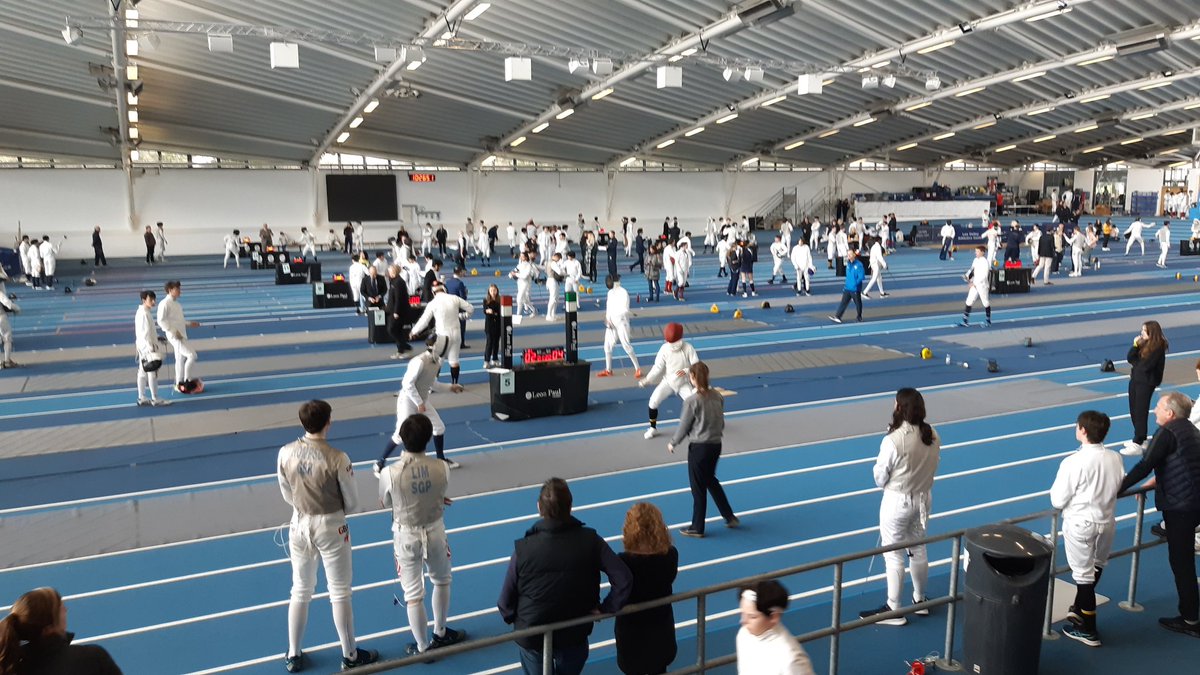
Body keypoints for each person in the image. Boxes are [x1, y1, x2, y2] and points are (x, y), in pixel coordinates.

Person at [278, 400, 378, 672]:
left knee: (300, 589)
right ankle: (350, 655)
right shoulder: (338, 458)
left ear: (303, 423)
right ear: (328, 422)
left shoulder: (285, 452)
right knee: (339, 592)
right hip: (331, 525)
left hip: (298, 524)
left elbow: (286, 492)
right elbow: (353, 503)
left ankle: (293, 653)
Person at [497, 478, 633, 675]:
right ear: (570, 506)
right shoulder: (591, 540)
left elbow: (504, 603)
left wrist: (517, 619)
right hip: (575, 631)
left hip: (532, 633)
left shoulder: (523, 549)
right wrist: (606, 608)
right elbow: (624, 578)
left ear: (539, 508)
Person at [378, 413, 466, 659]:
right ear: (428, 439)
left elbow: (385, 501)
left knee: (413, 594)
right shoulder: (442, 467)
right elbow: (438, 491)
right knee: (441, 580)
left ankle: (423, 647)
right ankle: (439, 631)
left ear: (402, 439)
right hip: (436, 531)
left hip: (406, 536)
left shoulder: (390, 473)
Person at [1118, 392, 1200, 638]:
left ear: (1170, 413)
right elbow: (1180, 462)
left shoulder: (1167, 433)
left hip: (1180, 506)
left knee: (1181, 562)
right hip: (1194, 501)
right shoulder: (1191, 430)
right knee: (1183, 560)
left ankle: (1190, 619)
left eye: (1159, 407)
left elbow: (1145, 464)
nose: (1154, 410)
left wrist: (1117, 487)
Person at [859, 387, 940, 625]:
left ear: (899, 408)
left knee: (893, 554)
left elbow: (879, 478)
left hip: (898, 501)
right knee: (918, 549)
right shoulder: (933, 434)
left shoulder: (892, 441)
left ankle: (894, 609)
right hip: (923, 499)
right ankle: (920, 600)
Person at [1051, 410, 1123, 647]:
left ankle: (1088, 629)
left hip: (1081, 523)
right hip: (1107, 521)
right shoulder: (1115, 457)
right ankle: (1079, 609)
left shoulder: (1073, 462)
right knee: (1097, 566)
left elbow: (1058, 500)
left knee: (1083, 578)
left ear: (1082, 430)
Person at [669, 362, 738, 538]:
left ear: (692, 378)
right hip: (715, 445)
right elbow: (720, 420)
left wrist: (673, 442)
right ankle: (729, 515)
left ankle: (697, 526)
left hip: (699, 448)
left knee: (698, 488)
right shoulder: (717, 396)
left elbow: (684, 426)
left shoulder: (692, 401)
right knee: (710, 481)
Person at [376, 335, 465, 471]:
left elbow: (431, 383)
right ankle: (380, 463)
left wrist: (450, 387)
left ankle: (441, 459)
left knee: (439, 427)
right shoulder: (419, 361)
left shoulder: (436, 361)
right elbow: (407, 384)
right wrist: (419, 403)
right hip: (408, 400)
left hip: (422, 400)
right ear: (440, 348)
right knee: (401, 434)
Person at [615, 503, 678, 675]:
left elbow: (618, 596)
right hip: (661, 631)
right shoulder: (671, 555)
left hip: (632, 636)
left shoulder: (623, 562)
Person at [0, 587, 122, 675]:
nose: (66, 609)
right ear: (48, 627)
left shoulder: (10, 668)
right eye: (61, 607)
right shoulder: (93, 657)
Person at [735, 580, 816, 675]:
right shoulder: (744, 634)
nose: (742, 621)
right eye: (742, 613)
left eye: (752, 617)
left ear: (774, 617)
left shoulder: (790, 659)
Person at [639, 322, 699, 439]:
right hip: (668, 382)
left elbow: (697, 364)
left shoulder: (688, 348)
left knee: (694, 403)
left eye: (675, 343)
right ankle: (652, 428)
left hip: (683, 383)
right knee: (653, 402)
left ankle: (700, 425)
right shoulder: (664, 349)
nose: (673, 346)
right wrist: (647, 380)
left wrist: (687, 370)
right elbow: (657, 368)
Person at [410, 282, 473, 386]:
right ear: (444, 289)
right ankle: (455, 384)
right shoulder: (454, 298)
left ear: (433, 292)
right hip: (456, 334)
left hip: (442, 335)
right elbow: (471, 309)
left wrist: (414, 331)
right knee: (454, 360)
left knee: (437, 360)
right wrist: (463, 316)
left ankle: (432, 385)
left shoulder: (433, 303)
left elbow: (424, 321)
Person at [1123, 320, 1168, 454]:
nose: (1141, 333)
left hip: (1146, 382)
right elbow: (1130, 358)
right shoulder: (1143, 343)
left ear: (1151, 332)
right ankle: (1140, 438)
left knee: (1140, 410)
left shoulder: (1158, 347)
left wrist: (1137, 364)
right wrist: (1135, 345)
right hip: (1136, 379)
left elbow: (1145, 366)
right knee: (1133, 408)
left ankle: (1138, 440)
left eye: (1144, 331)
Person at [156, 280, 201, 394]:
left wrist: (190, 323)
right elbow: (161, 321)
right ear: (170, 290)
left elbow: (178, 320)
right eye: (177, 289)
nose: (180, 291)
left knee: (180, 359)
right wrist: (172, 331)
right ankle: (186, 381)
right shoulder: (164, 303)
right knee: (192, 355)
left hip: (181, 334)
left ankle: (178, 383)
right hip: (175, 336)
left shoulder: (176, 304)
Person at [597, 275, 641, 378]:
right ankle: (608, 370)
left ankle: (638, 368)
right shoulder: (610, 293)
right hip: (611, 324)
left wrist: (617, 315)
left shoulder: (623, 292)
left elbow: (625, 309)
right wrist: (607, 319)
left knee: (626, 345)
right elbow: (609, 307)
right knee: (607, 346)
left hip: (622, 322)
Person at [134, 290, 169, 407]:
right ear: (144, 300)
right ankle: (155, 398)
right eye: (151, 300)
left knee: (142, 372)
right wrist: (150, 348)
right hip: (147, 347)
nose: (153, 302)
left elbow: (147, 331)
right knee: (152, 372)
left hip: (142, 346)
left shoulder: (142, 312)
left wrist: (158, 337)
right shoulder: (144, 314)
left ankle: (142, 397)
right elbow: (145, 333)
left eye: (154, 299)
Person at [958, 245, 993, 327]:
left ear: (982, 252)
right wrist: (966, 276)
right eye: (975, 251)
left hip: (982, 285)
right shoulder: (975, 260)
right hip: (974, 284)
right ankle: (965, 320)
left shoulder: (985, 262)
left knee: (985, 302)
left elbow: (984, 276)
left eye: (977, 251)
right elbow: (971, 269)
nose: (975, 253)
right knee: (969, 300)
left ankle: (988, 321)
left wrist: (974, 283)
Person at [828, 248, 864, 324]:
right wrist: (846, 285)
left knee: (858, 303)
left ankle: (859, 316)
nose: (849, 256)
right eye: (848, 255)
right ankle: (838, 316)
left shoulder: (859, 265)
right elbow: (848, 276)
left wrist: (855, 284)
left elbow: (861, 277)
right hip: (847, 288)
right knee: (843, 302)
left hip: (855, 289)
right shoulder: (848, 264)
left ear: (854, 254)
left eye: (850, 254)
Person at [385, 265, 412, 360]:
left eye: (390, 271)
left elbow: (399, 298)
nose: (388, 273)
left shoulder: (399, 282)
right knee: (397, 331)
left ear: (395, 271)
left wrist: (396, 311)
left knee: (391, 329)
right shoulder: (393, 281)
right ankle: (401, 349)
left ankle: (404, 347)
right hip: (392, 310)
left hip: (397, 312)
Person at [442, 267, 471, 348]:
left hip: (449, 307)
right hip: (458, 308)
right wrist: (465, 293)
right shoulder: (459, 283)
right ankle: (461, 343)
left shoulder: (447, 282)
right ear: (460, 272)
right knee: (461, 326)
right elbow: (463, 298)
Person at [0, 276, 21, 369]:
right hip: (1, 317)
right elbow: (6, 302)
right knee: (7, 338)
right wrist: (17, 309)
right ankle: (7, 361)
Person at [482, 284, 502, 368]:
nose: (493, 292)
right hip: (489, 325)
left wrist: (493, 312)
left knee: (496, 343)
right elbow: (484, 310)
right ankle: (486, 360)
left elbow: (500, 312)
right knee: (489, 343)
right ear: (489, 292)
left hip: (498, 324)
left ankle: (495, 359)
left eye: (494, 290)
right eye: (491, 290)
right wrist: (488, 311)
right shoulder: (486, 300)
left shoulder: (500, 300)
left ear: (497, 291)